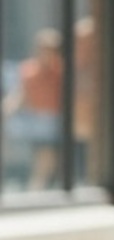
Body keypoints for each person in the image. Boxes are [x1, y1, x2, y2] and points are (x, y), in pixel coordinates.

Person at [2, 28, 64, 190]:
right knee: (43, 155)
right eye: (44, 49)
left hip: (56, 121)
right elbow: (21, 94)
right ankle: (37, 186)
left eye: (51, 49)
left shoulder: (62, 70)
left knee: (49, 156)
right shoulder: (28, 70)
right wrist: (7, 109)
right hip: (35, 121)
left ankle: (39, 186)